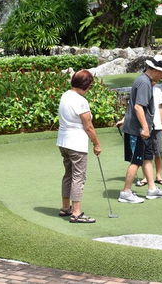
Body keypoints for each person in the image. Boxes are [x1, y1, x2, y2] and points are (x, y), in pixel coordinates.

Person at [118, 55, 162, 203]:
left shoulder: (147, 81)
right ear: (155, 70)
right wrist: (145, 128)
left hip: (143, 130)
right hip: (138, 131)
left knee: (147, 158)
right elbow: (138, 107)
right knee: (136, 161)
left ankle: (152, 189)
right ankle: (126, 192)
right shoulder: (144, 83)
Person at [57, 69, 101, 224]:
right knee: (78, 177)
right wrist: (97, 144)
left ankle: (65, 207)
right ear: (86, 85)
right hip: (76, 144)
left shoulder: (65, 95)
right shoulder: (81, 101)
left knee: (68, 174)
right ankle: (76, 212)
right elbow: (88, 126)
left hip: (63, 142)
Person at [118, 83, 162, 187]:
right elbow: (133, 108)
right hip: (143, 126)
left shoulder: (157, 90)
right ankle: (146, 177)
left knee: (158, 152)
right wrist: (124, 120)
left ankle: (158, 176)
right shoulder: (139, 90)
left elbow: (159, 107)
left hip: (156, 125)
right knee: (145, 154)